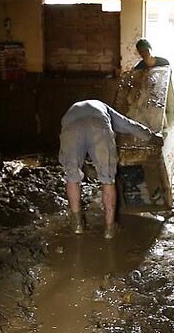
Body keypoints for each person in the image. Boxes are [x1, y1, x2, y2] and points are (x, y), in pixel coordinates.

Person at [59, 100, 162, 239]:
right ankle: (109, 228)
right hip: (98, 125)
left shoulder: (72, 109)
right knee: (107, 178)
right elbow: (127, 125)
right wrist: (151, 137)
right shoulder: (102, 107)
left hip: (70, 129)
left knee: (72, 176)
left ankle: (77, 225)